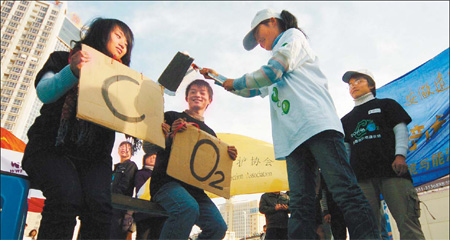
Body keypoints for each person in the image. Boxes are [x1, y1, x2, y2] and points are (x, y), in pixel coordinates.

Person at [200, 8, 379, 239]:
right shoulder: (275, 59)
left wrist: (233, 80)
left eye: (258, 34)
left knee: (344, 191)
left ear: (273, 21)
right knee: (301, 204)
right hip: (294, 139)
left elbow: (272, 72)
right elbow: (253, 89)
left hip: (317, 126)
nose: (258, 41)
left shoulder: (292, 37)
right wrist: (219, 79)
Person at [21, 18, 134, 239]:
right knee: (66, 197)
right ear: (101, 33)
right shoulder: (63, 59)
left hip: (94, 157)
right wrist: (72, 71)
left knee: (100, 209)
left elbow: (132, 121)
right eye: (119, 35)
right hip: (50, 147)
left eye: (128, 43)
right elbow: (45, 92)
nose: (124, 44)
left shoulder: (123, 83)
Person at [341, 69, 425, 239]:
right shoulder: (345, 120)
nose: (353, 86)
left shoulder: (387, 104)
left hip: (392, 171)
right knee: (368, 230)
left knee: (408, 223)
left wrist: (400, 155)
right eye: (350, 84)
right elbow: (347, 149)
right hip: (362, 179)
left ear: (371, 85)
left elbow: (400, 129)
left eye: (358, 81)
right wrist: (350, 175)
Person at [150, 79, 238, 239]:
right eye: (193, 92)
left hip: (196, 191)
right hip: (166, 183)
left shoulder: (211, 134)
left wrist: (227, 156)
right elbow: (150, 146)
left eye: (202, 92)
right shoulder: (170, 116)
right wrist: (170, 135)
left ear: (209, 100)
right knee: (187, 208)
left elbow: (211, 166)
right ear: (187, 98)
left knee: (218, 227)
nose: (197, 95)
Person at [133, 143, 165, 240]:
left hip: (159, 214)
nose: (152, 159)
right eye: (150, 157)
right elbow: (140, 191)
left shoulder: (162, 176)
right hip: (144, 215)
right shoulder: (140, 173)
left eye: (155, 157)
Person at [110, 141, 139, 239]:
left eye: (127, 148)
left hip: (120, 207)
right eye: (122, 146)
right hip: (110, 205)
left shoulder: (131, 165)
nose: (124, 149)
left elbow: (125, 186)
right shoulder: (115, 167)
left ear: (131, 152)